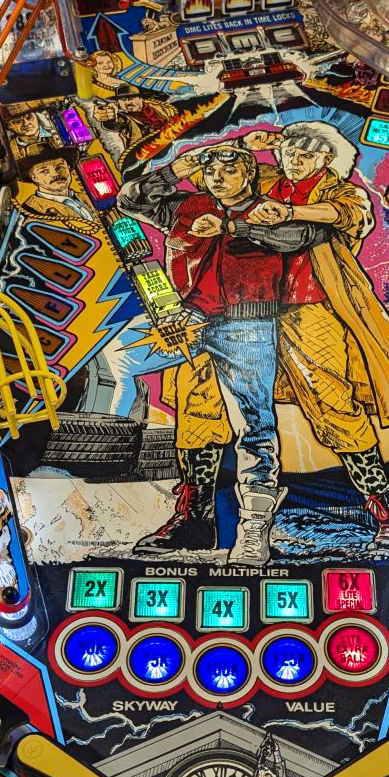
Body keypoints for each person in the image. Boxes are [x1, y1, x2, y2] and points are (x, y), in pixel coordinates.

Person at [117, 141, 329, 560]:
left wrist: (233, 227)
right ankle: (193, 520)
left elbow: (304, 235)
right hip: (187, 320)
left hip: (247, 325)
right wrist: (175, 170)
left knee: (255, 425)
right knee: (157, 385)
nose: (218, 177)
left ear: (249, 174)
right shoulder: (188, 206)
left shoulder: (269, 211)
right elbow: (130, 201)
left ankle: (253, 530)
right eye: (211, 171)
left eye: (229, 171)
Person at [240, 121, 389, 558]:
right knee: (223, 403)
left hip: (311, 310)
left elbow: (349, 215)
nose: (296, 161)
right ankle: (226, 517)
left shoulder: (341, 193)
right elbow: (223, 177)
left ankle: (387, 515)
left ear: (326, 159)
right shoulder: (267, 181)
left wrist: (290, 214)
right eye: (291, 153)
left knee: (334, 407)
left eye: (307, 155)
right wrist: (250, 143)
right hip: (249, 309)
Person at [15, 148, 98, 231]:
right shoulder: (31, 211)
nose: (55, 174)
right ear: (34, 177)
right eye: (44, 171)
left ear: (68, 168)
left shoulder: (87, 197)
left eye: (60, 167)